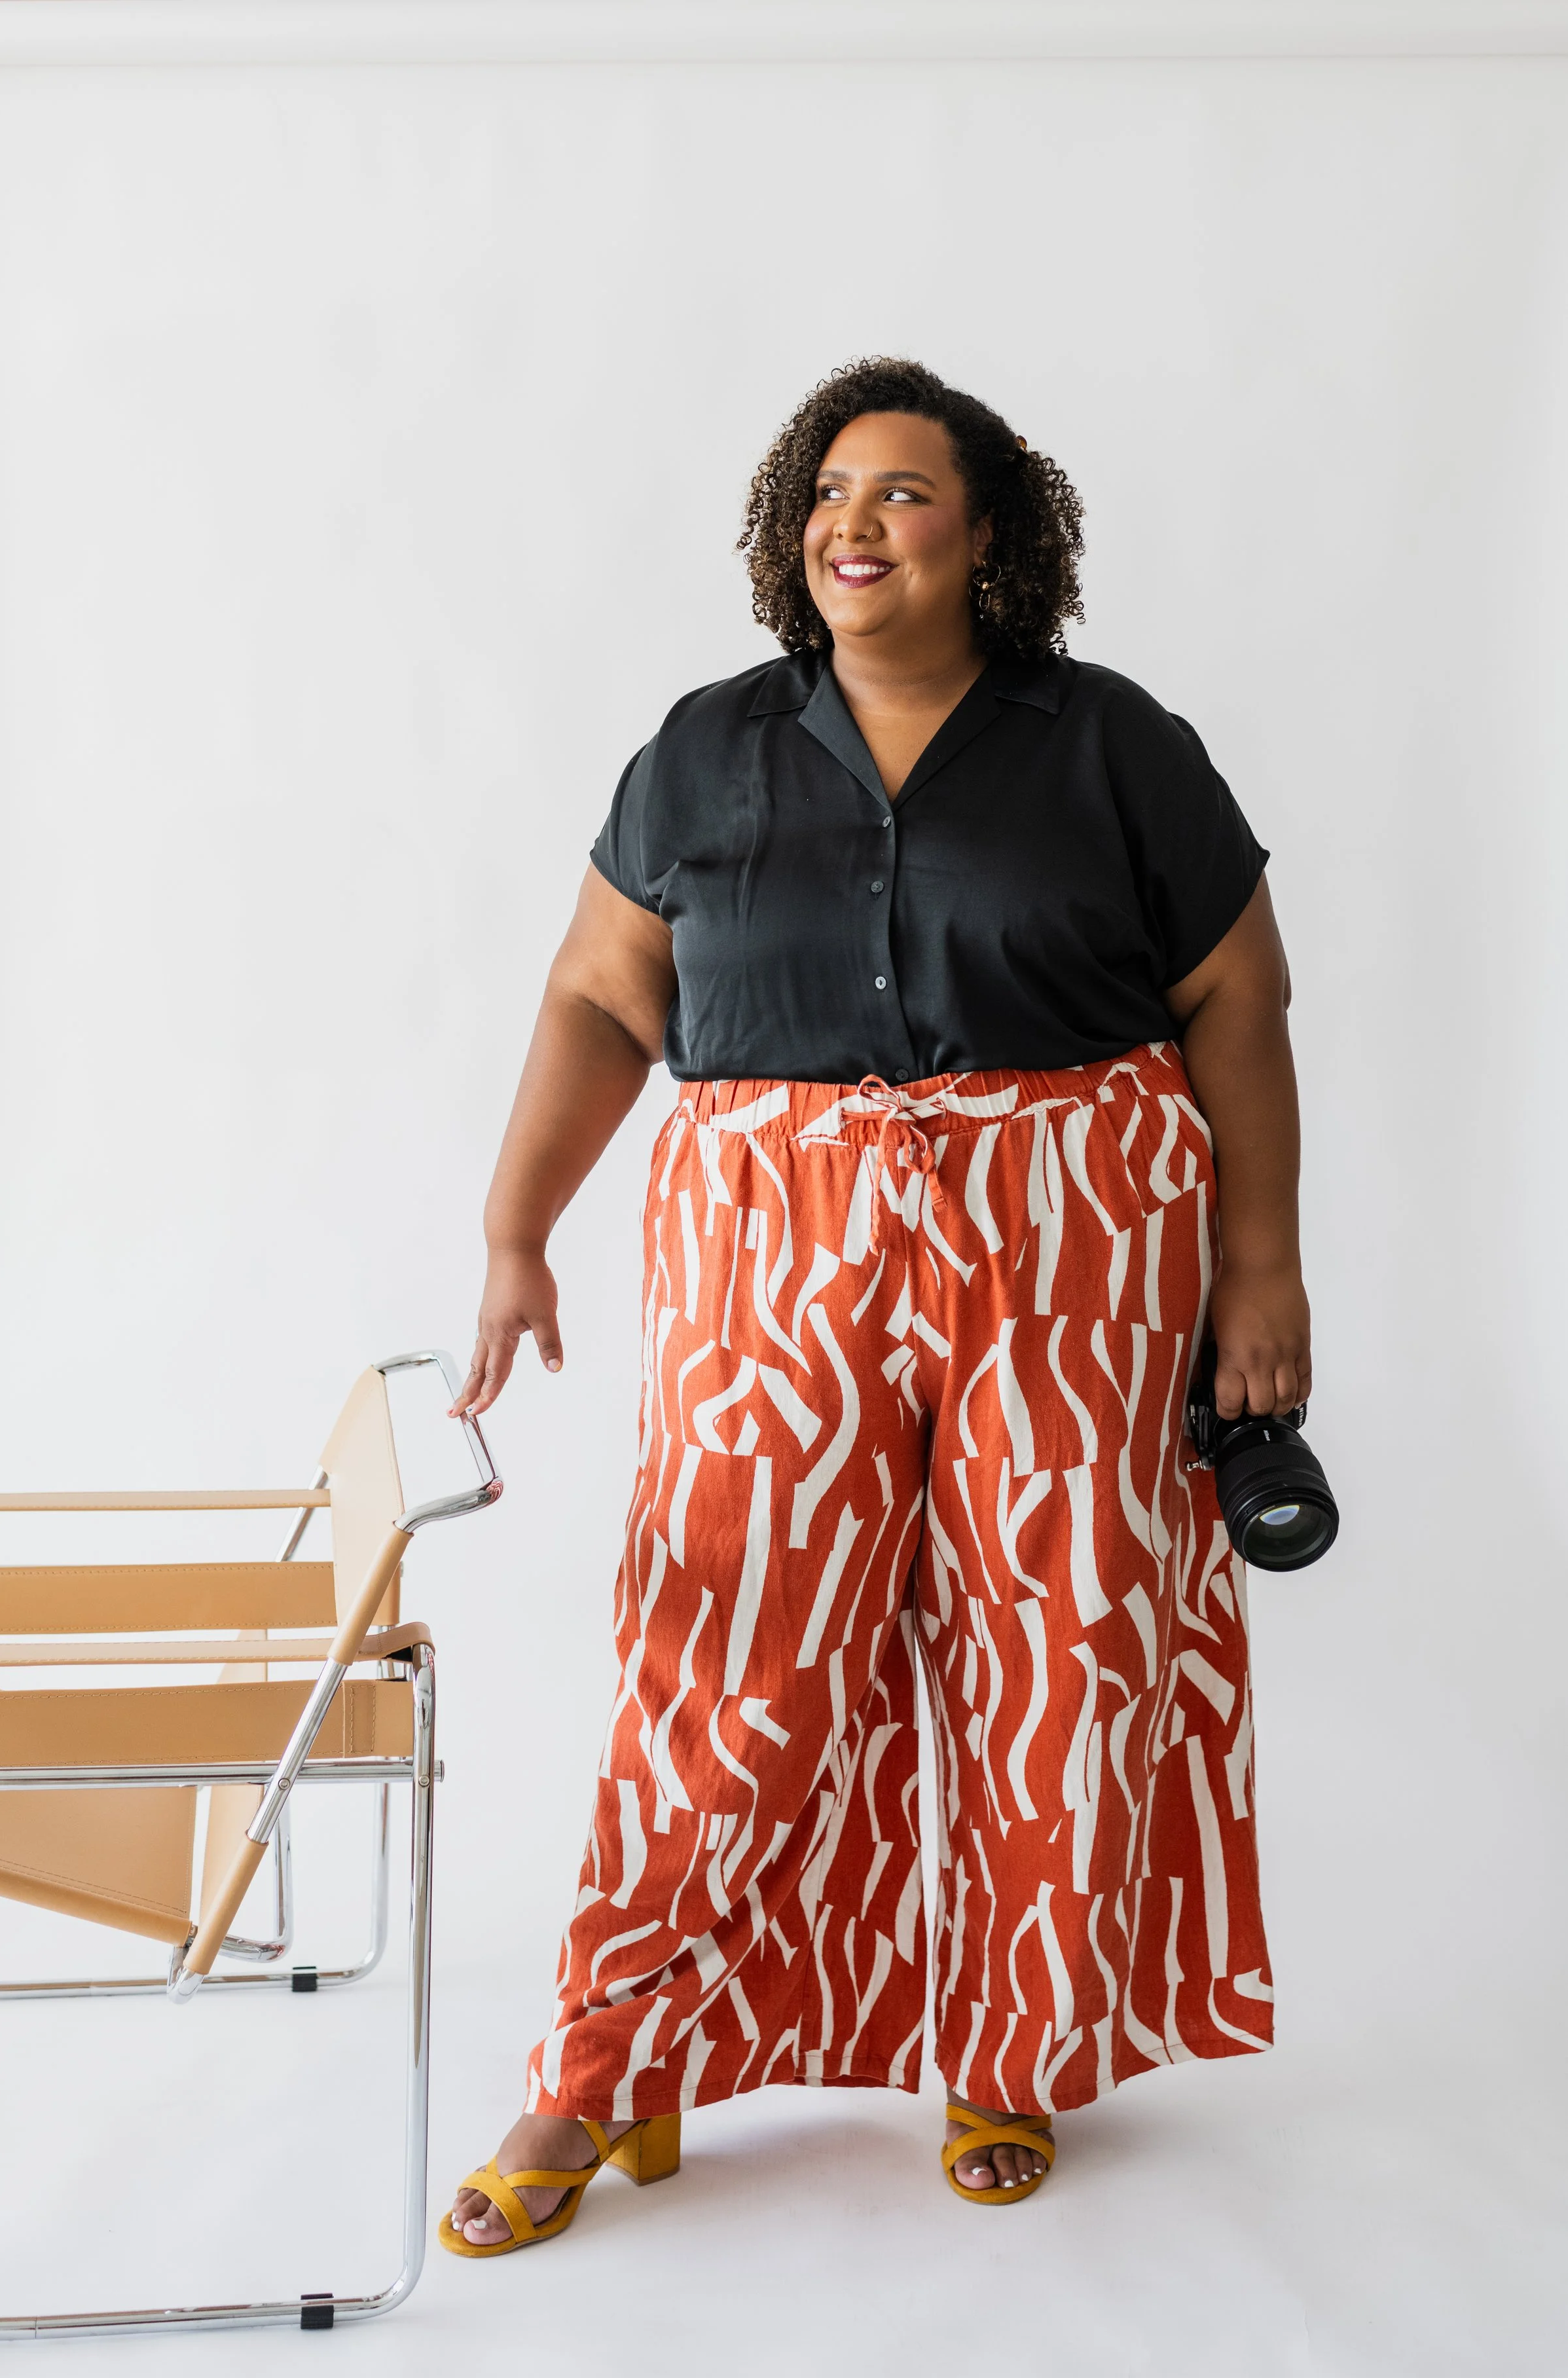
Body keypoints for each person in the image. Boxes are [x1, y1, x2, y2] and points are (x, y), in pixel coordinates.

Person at [439, 357, 1308, 2258]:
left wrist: (1259, 1269)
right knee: (725, 1654)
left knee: (1058, 1650)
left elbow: (1236, 995)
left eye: (905, 492)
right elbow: (601, 997)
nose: (856, 520)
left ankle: (1010, 2042)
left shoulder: (1110, 743)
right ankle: (616, 2069)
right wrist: (520, 1231)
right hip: (777, 1248)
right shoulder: (703, 748)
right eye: (831, 490)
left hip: (1071, 1242)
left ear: (989, 541)